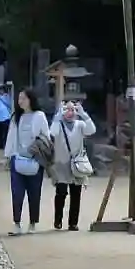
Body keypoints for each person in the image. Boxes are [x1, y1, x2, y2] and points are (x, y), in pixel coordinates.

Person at [3, 87, 50, 234]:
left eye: (23, 98)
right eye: (19, 98)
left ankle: (33, 223)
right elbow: (11, 137)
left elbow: (46, 137)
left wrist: (38, 149)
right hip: (17, 158)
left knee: (34, 193)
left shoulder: (39, 116)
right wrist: (8, 156)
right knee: (17, 193)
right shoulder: (16, 117)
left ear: (31, 100)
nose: (20, 101)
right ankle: (17, 223)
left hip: (35, 159)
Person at [48, 97, 96, 231]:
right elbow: (52, 132)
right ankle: (58, 220)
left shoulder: (80, 125)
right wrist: (58, 116)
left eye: (72, 109)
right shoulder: (58, 124)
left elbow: (91, 130)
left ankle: (73, 223)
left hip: (77, 165)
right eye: (67, 109)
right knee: (61, 193)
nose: (70, 112)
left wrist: (83, 114)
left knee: (76, 195)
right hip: (61, 165)